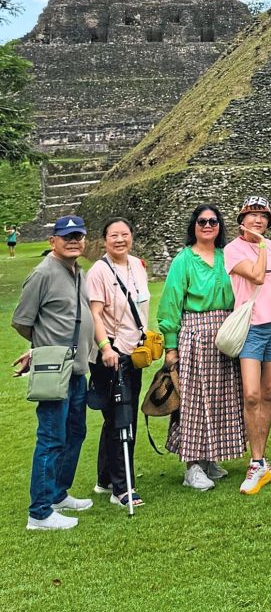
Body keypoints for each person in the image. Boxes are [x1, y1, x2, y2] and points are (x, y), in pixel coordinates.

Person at [11, 214, 95, 530]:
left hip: (77, 368)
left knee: (75, 432)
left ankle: (58, 493)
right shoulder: (43, 273)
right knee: (51, 437)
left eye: (78, 236)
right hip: (53, 368)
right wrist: (42, 347)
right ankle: (40, 512)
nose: (73, 241)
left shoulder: (77, 273)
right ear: (53, 241)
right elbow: (22, 319)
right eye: (67, 236)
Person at [157, 203, 246, 491]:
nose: (208, 226)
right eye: (202, 221)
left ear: (220, 227)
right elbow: (171, 302)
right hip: (195, 334)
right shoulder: (184, 259)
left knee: (221, 399)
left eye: (213, 221)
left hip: (225, 334)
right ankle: (192, 465)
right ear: (193, 226)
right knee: (194, 402)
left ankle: (210, 459)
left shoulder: (226, 256)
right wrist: (171, 348)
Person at [86, 216, 150, 507]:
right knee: (122, 419)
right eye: (114, 235)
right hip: (111, 353)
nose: (120, 240)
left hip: (133, 352)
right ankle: (122, 489)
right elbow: (95, 314)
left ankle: (105, 479)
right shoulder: (99, 271)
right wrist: (105, 348)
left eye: (125, 234)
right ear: (105, 240)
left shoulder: (137, 265)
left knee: (116, 416)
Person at [224, 196, 271, 495]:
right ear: (241, 221)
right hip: (252, 327)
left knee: (269, 393)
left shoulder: (270, 246)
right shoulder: (233, 249)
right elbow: (258, 276)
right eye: (252, 216)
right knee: (250, 395)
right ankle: (255, 461)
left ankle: (262, 458)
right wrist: (260, 245)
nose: (258, 221)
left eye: (263, 217)